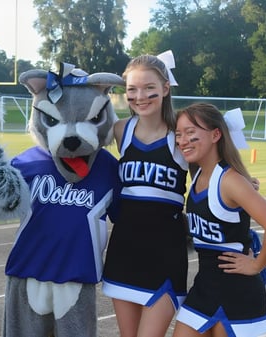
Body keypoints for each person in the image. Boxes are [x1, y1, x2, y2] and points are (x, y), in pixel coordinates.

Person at [172, 103, 266, 337]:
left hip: (237, 295)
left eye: (191, 133)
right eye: (179, 134)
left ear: (216, 134)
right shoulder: (199, 174)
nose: (183, 140)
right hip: (204, 288)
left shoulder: (230, 180)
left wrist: (256, 265)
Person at [101, 52, 190, 337]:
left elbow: (215, 172)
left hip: (166, 255)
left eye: (149, 88)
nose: (140, 96)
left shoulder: (181, 134)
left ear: (165, 89)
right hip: (124, 252)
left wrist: (243, 180)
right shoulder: (120, 130)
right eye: (132, 89)